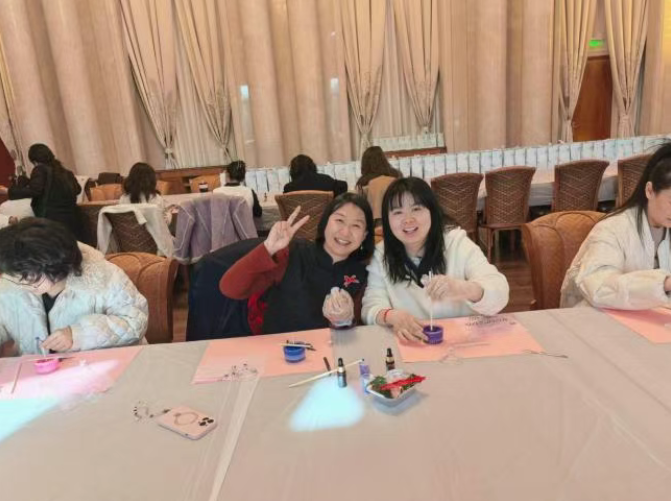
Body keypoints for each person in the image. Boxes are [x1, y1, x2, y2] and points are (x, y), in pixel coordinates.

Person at [362, 177, 509, 342]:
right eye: (397, 212)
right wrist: (390, 316)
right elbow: (370, 306)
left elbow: (500, 292)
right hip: (413, 344)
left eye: (416, 209)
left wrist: (463, 288)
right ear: (387, 220)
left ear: (432, 211)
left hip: (463, 342)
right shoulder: (382, 254)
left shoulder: (456, 243)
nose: (408, 219)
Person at [220, 193, 375, 334]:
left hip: (330, 351)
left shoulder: (364, 274)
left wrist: (344, 321)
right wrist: (268, 248)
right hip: (278, 348)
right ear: (325, 222)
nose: (345, 232)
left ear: (364, 236)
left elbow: (357, 332)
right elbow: (230, 288)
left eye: (356, 225)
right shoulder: (292, 253)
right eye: (339, 220)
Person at [0, 218, 148, 355]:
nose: (22, 284)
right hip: (38, 371)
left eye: (31, 278)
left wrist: (79, 334)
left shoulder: (104, 276)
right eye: (14, 276)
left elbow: (135, 322)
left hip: (105, 366)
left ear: (56, 264)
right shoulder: (13, 280)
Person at [562, 142, 671, 309]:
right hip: (596, 317)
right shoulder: (612, 228)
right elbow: (598, 286)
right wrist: (663, 284)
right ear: (649, 191)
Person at [7, 144, 81, 237]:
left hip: (52, 220)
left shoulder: (40, 169)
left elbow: (35, 190)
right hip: (73, 218)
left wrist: (9, 191)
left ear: (35, 161)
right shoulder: (65, 172)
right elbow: (78, 189)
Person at [356, 146, 402, 222]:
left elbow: (361, 206)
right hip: (396, 217)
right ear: (383, 159)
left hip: (374, 222)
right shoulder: (396, 175)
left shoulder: (363, 182)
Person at [283, 154, 347, 197]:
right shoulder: (325, 180)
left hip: (300, 214)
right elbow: (343, 185)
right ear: (312, 166)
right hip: (325, 213)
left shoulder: (289, 188)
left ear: (293, 170)